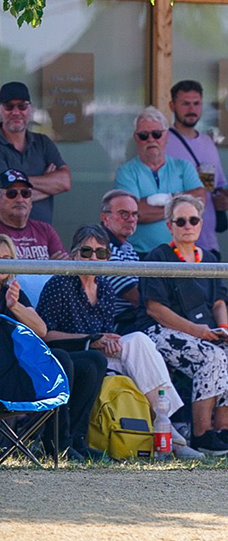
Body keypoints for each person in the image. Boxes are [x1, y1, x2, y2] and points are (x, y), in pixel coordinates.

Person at [36, 225, 201, 459]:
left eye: (100, 253)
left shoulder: (105, 287)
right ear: (74, 254)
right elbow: (44, 335)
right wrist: (91, 341)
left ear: (108, 258)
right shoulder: (59, 284)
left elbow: (103, 334)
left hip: (98, 357)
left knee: (139, 341)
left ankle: (165, 423)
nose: (93, 258)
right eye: (86, 252)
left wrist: (106, 341)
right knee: (127, 349)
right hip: (68, 356)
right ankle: (167, 430)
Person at [138, 195, 228, 457]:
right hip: (162, 331)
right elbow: (155, 309)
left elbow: (220, 300)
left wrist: (224, 328)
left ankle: (222, 431)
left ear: (201, 223)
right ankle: (202, 435)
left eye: (193, 220)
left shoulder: (208, 257)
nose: (188, 225)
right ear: (170, 226)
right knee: (211, 357)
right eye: (181, 221)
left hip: (207, 332)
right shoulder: (159, 257)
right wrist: (197, 331)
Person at [0, 233, 105, 461]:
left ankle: (75, 439)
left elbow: (41, 330)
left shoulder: (12, 293)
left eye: (7, 258)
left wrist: (14, 306)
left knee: (93, 362)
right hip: (6, 374)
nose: (3, 264)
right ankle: (56, 444)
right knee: (59, 358)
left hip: (20, 368)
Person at [114, 107, 206, 257]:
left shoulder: (183, 166)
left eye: (157, 134)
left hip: (181, 252)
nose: (151, 139)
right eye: (144, 135)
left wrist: (161, 200)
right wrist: (178, 207)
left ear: (166, 135)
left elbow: (200, 200)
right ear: (136, 138)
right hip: (140, 254)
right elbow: (137, 214)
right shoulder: (126, 172)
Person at [164, 80, 228, 259]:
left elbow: (218, 187)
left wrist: (224, 201)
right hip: (175, 242)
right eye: (185, 103)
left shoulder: (208, 142)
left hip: (208, 240)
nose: (191, 109)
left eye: (196, 103)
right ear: (172, 106)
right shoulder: (163, 142)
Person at [0, 81, 71, 224]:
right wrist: (47, 183)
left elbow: (65, 182)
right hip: (4, 242)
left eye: (22, 106)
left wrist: (14, 184)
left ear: (30, 108)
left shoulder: (43, 143)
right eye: (9, 107)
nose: (16, 112)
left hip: (42, 240)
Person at [99, 189, 142, 330]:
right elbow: (134, 297)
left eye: (134, 214)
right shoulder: (100, 248)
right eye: (124, 214)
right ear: (105, 218)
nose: (131, 219)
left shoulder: (127, 247)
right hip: (117, 326)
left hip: (135, 319)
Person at [0, 169, 67, 260]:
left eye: (25, 193)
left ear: (31, 200)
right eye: (11, 193)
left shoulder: (45, 230)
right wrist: (49, 267)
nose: (20, 199)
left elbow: (62, 265)